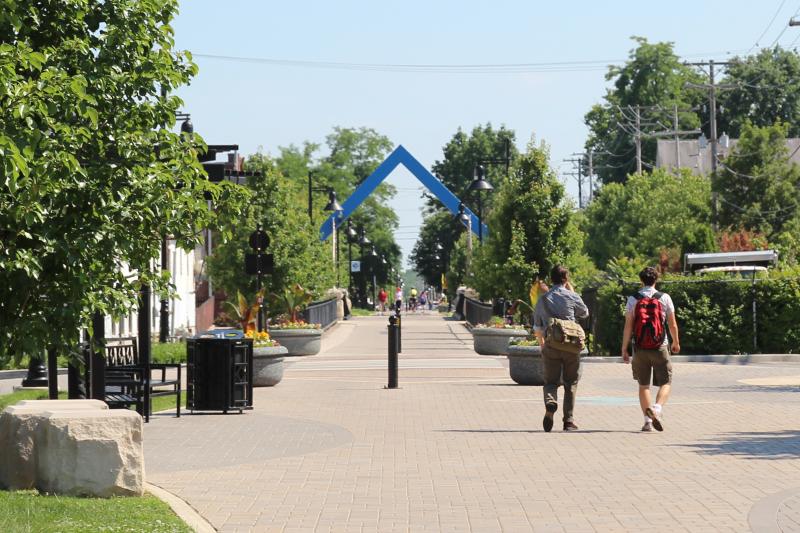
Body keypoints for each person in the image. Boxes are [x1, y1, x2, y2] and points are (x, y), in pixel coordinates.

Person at [621, 266, 680, 432]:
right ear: (656, 280)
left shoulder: (633, 299)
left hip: (639, 348)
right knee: (666, 382)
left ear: (641, 280)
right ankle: (657, 409)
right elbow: (672, 324)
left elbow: (628, 326)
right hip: (660, 346)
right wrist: (676, 342)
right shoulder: (665, 298)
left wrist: (624, 348)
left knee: (643, 385)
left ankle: (647, 422)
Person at [533, 265, 589, 432]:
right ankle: (569, 421)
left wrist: (542, 345)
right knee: (571, 382)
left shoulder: (542, 300)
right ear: (566, 279)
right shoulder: (571, 296)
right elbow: (585, 312)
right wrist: (571, 290)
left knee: (550, 381)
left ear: (551, 279)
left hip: (551, 344)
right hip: (571, 346)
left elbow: (537, 326)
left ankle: (551, 402)